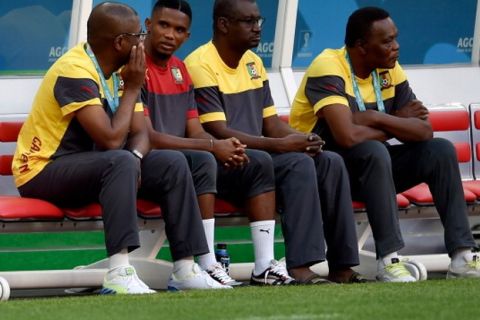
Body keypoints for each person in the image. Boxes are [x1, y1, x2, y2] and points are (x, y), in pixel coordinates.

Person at [12, 2, 230, 294]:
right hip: (43, 170)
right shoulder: (75, 70)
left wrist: (136, 158)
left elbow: (141, 134)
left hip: (96, 165)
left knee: (172, 163)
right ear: (119, 42)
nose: (143, 40)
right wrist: (132, 89)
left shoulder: (120, 70)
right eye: (138, 35)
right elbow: (112, 140)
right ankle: (119, 271)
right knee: (120, 160)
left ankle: (185, 268)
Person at [290, 6, 480, 281]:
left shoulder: (390, 69)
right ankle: (389, 260)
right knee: (373, 150)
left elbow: (423, 130)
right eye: (387, 41)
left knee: (440, 150)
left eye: (395, 38)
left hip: (374, 169)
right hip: (327, 171)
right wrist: (396, 122)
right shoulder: (329, 66)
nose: (396, 47)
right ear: (361, 47)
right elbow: (347, 137)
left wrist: (375, 117)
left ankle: (462, 255)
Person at [185, 0, 364, 284]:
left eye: (259, 21)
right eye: (248, 22)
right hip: (227, 162)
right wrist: (283, 146)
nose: (258, 29)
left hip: (259, 159)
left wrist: (301, 138)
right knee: (296, 163)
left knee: (330, 161)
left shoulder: (254, 62)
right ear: (223, 24)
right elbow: (217, 130)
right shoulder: (200, 63)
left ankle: (342, 265)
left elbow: (271, 124)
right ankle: (300, 266)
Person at [143, 0, 296, 286]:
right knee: (201, 159)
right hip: (145, 164)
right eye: (163, 25)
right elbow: (149, 137)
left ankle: (264, 264)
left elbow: (196, 130)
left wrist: (225, 146)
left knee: (256, 159)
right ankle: (204, 261)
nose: (170, 34)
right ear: (148, 25)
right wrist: (214, 147)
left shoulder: (180, 70)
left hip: (179, 161)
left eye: (179, 29)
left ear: (187, 35)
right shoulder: (137, 67)